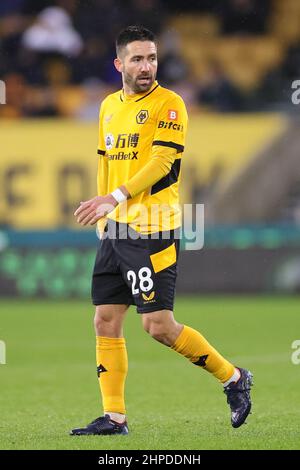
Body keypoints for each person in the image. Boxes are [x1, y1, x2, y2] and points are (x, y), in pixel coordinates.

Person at [70, 25, 253, 436]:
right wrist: (105, 213)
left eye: (152, 58)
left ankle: (234, 378)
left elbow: (161, 165)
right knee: (105, 319)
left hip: (152, 229)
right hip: (116, 230)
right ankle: (114, 417)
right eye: (137, 59)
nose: (146, 66)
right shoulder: (107, 107)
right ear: (119, 64)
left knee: (158, 327)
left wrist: (113, 198)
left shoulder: (170, 105)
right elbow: (106, 162)